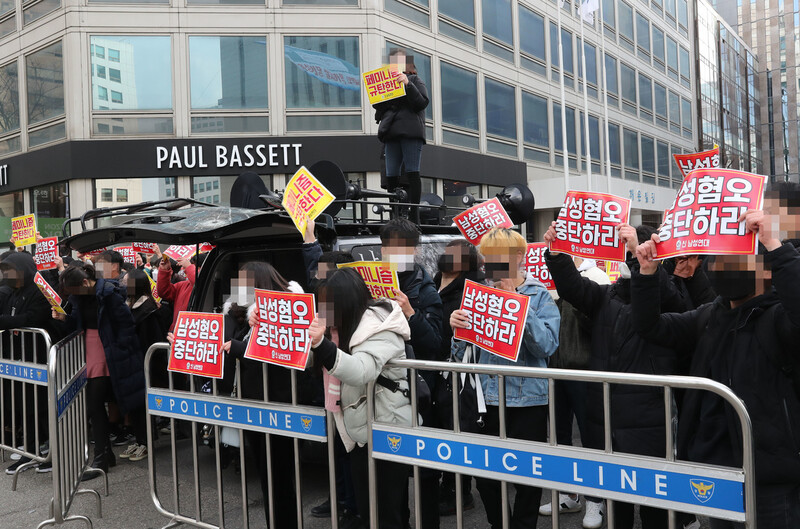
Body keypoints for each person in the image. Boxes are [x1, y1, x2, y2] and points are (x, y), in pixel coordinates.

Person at [631, 206, 800, 529]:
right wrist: (647, 274)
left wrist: (776, 246)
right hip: (717, 473)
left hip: (771, 478)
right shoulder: (711, 315)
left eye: (738, 257)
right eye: (719, 257)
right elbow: (651, 327)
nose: (723, 265)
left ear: (766, 269)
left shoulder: (778, 317)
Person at [544, 223, 690, 529]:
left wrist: (642, 263)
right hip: (607, 414)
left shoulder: (666, 295)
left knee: (655, 503)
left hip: (649, 417)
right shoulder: (604, 296)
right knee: (617, 502)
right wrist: (557, 254)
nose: (628, 258)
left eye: (636, 253)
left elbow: (673, 302)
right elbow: (573, 288)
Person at [450, 227, 560, 529]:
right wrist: (456, 329)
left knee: (527, 477)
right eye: (489, 258)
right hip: (487, 399)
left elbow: (547, 346)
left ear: (519, 258)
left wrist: (518, 305)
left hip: (528, 401)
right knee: (486, 476)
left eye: (500, 257)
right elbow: (459, 356)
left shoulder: (538, 295)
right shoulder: (479, 293)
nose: (492, 264)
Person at [309, 267, 412, 529]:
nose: (322, 311)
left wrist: (322, 344)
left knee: (387, 512)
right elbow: (304, 358)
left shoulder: (378, 326)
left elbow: (361, 371)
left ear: (345, 302)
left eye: (327, 305)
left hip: (387, 428)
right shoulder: (342, 327)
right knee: (371, 510)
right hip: (361, 428)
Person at [221, 261, 303, 529]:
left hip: (277, 403)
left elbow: (265, 356)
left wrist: (235, 346)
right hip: (253, 402)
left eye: (244, 282)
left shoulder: (285, 311)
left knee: (278, 475)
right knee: (267, 473)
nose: (239, 288)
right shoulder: (243, 312)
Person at [54, 262, 145, 479]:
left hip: (107, 351)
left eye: (74, 291)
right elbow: (77, 323)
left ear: (85, 282)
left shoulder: (109, 294)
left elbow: (126, 326)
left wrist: (118, 349)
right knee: (93, 405)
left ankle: (102, 457)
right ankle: (104, 455)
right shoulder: (80, 296)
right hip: (91, 349)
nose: (72, 295)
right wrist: (64, 318)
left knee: (95, 404)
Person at [380, 217, 443, 528]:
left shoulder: (426, 287)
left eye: (399, 247)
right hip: (382, 392)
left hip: (419, 392)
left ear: (413, 250)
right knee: (390, 470)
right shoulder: (372, 281)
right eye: (386, 246)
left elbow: (434, 343)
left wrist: (409, 312)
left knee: (424, 469)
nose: (392, 252)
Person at [538, 257, 610, 523]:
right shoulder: (547, 275)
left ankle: (595, 499)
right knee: (559, 437)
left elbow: (602, 323)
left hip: (584, 370)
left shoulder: (597, 275)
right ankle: (568, 494)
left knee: (592, 438)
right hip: (554, 369)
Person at [433, 239, 481, 515]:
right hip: (432, 368)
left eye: (454, 254)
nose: (446, 257)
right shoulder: (433, 282)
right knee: (439, 427)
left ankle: (458, 491)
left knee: (457, 428)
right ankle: (444, 484)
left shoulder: (470, 291)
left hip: (458, 372)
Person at [0, 252, 59, 475]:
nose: (6, 274)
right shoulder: (14, 292)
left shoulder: (39, 290)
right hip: (20, 360)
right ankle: (32, 453)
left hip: (38, 358)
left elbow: (34, 318)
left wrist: (5, 322)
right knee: (26, 408)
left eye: (10, 270)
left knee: (43, 408)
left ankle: (51, 454)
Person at [374, 48, 429, 222]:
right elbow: (378, 108)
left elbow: (422, 102)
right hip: (391, 134)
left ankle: (414, 217)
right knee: (391, 175)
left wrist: (407, 83)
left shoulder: (414, 79)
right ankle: (395, 215)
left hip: (410, 133)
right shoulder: (387, 82)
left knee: (413, 172)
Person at [120, 269, 169, 462]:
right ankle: (139, 439)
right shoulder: (129, 305)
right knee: (135, 406)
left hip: (145, 365)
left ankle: (146, 442)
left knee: (143, 405)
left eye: (126, 282)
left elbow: (152, 341)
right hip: (132, 362)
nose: (123, 285)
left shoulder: (148, 309)